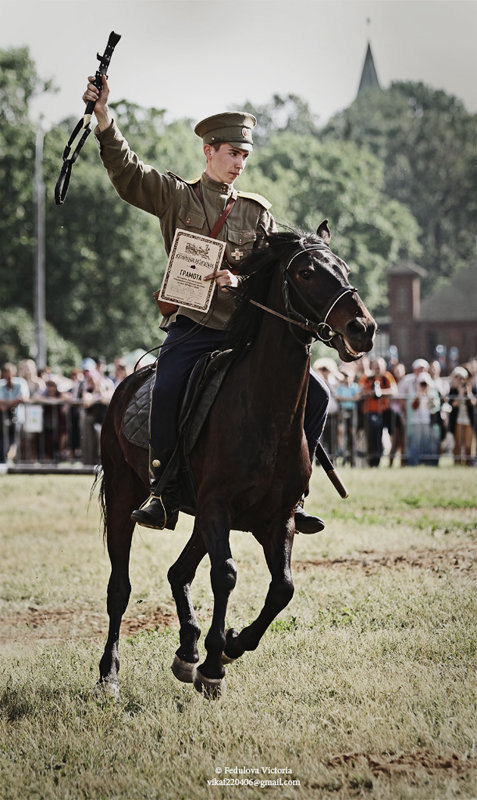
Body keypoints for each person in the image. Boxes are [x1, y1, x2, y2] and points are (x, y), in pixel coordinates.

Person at [83, 75, 330, 533]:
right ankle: (162, 490)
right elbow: (128, 171)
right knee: (167, 387)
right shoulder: (178, 196)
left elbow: (268, 275)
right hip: (193, 328)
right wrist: (103, 120)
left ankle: (293, 494)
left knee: (318, 394)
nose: (239, 163)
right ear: (209, 151)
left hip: (243, 334)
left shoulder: (257, 213)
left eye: (245, 155)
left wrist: (239, 279)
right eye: (232, 153)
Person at [358, 357, 397, 467]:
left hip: (383, 412)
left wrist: (380, 393)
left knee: (383, 437)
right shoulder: (367, 377)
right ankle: (372, 462)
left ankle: (381, 460)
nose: (377, 369)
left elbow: (394, 390)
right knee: (371, 437)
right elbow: (359, 392)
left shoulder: (387, 377)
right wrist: (370, 393)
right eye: (375, 367)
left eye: (379, 367)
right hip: (369, 412)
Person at [0, 362, 30, 463]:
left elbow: (24, 398)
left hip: (18, 417)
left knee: (15, 439)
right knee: (3, 439)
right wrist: (15, 401)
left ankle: (15, 460)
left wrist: (6, 404)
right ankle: (4, 459)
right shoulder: (1, 384)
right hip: (3, 418)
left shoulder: (20, 382)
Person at [448, 366, 476, 465]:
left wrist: (468, 393)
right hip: (457, 420)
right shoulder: (453, 390)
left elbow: (474, 403)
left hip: (469, 420)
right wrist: (460, 394)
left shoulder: (471, 388)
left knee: (468, 444)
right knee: (458, 444)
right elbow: (452, 404)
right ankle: (457, 463)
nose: (461, 380)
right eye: (459, 378)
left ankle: (468, 463)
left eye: (463, 378)